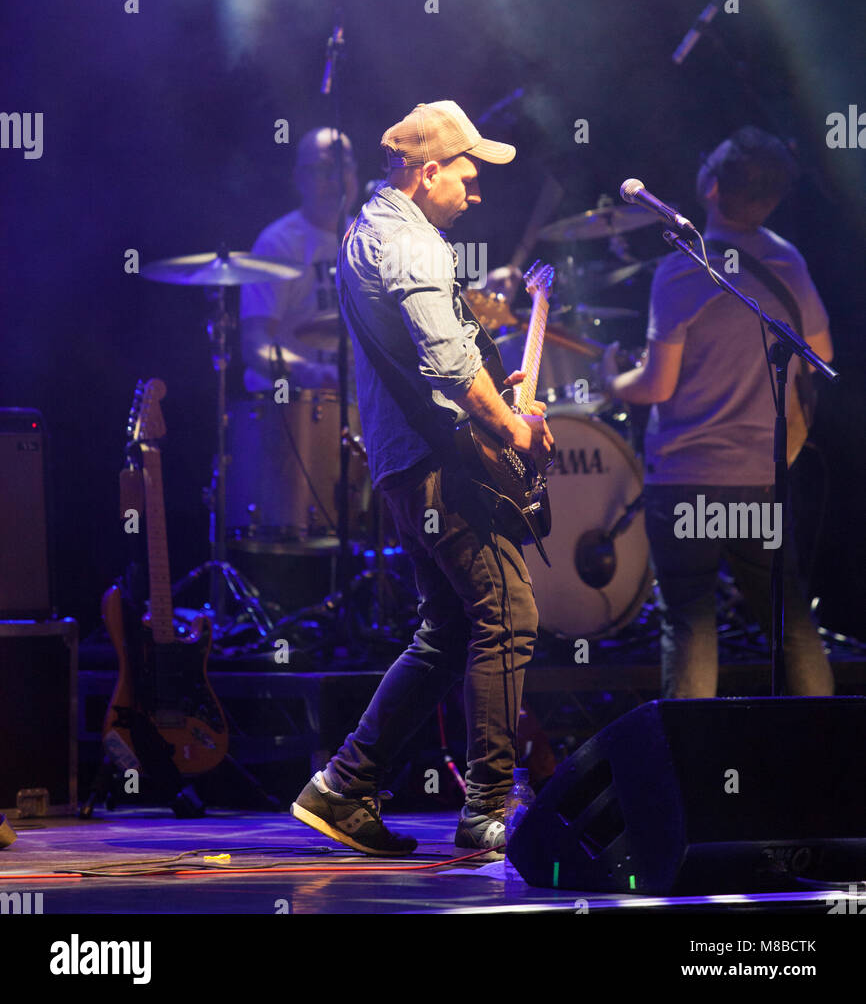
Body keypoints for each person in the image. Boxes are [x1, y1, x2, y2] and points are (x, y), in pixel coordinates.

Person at [291, 101, 554, 857]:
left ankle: (344, 786)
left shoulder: (373, 234)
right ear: (427, 170)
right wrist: (513, 429)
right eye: (466, 176)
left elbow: (438, 351)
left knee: (446, 632)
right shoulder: (413, 246)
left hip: (408, 472)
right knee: (508, 617)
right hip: (442, 471)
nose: (475, 193)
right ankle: (488, 810)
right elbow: (445, 361)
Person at [602, 127, 835, 698]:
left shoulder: (685, 268)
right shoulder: (787, 261)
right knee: (791, 622)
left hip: (686, 480)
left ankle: (694, 769)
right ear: (773, 199)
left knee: (689, 621)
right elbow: (822, 355)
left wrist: (612, 380)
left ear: (710, 187)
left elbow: (656, 385)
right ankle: (831, 756)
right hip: (760, 477)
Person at [240, 128, 358, 390]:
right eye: (323, 169)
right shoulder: (277, 243)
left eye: (344, 167)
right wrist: (310, 373)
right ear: (299, 179)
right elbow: (254, 342)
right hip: (288, 407)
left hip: (353, 405)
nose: (337, 180)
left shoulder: (368, 238)